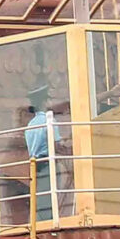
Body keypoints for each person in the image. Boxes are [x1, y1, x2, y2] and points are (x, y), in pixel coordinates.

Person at [26, 94, 67, 224]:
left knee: (40, 198)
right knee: (50, 197)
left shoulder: (30, 124)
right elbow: (55, 145)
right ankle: (48, 225)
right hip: (47, 164)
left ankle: (39, 224)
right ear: (44, 102)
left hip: (35, 165)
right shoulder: (50, 120)